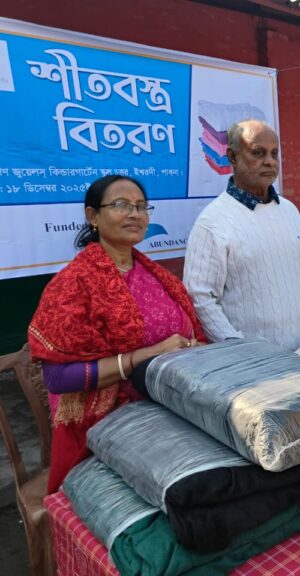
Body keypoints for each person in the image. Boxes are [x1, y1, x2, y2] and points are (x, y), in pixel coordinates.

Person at [29, 175, 207, 493]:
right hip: (105, 429)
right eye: (121, 205)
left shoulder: (157, 276)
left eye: (141, 206)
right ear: (93, 216)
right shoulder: (72, 284)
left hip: (170, 408)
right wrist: (142, 357)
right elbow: (57, 378)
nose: (135, 214)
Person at [184, 119, 300, 349]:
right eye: (258, 153)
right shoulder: (212, 222)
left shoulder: (290, 211)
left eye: (274, 153)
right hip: (252, 363)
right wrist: (240, 350)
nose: (269, 161)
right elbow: (200, 299)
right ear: (233, 157)